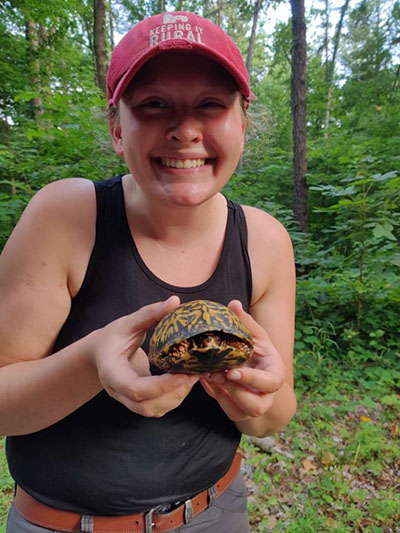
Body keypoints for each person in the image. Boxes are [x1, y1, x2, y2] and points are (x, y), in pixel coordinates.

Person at [0, 11, 296, 533]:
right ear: (118, 128)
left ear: (243, 125)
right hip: (63, 523)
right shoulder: (66, 217)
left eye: (211, 104)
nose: (184, 130)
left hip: (215, 513)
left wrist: (253, 395)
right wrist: (92, 363)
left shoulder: (265, 239)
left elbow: (274, 414)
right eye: (154, 105)